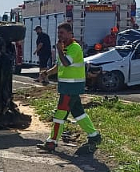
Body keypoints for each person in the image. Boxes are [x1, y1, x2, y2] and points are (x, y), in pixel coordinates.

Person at [38, 22, 101, 153]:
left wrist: (59, 50)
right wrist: (47, 73)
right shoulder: (65, 48)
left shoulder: (74, 47)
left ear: (70, 34)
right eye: (58, 33)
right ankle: (94, 135)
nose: (59, 35)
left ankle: (52, 142)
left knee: (59, 114)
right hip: (67, 87)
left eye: (62, 33)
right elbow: (59, 66)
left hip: (71, 87)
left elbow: (66, 63)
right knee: (78, 113)